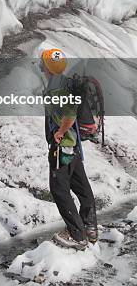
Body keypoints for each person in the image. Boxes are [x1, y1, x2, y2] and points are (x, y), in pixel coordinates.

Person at [40, 48, 98, 250]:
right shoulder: (68, 82)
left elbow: (70, 112)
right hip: (73, 148)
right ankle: (90, 227)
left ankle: (77, 235)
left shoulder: (56, 87)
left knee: (59, 190)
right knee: (81, 185)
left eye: (43, 62)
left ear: (46, 67)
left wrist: (60, 133)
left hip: (62, 147)